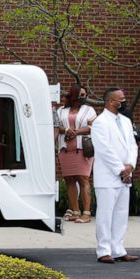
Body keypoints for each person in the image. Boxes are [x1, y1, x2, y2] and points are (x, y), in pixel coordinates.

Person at [92, 88, 139, 263]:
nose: (124, 101)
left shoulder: (126, 121)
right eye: (121, 99)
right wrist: (120, 169)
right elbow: (104, 149)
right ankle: (103, 249)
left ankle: (118, 248)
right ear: (111, 101)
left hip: (125, 176)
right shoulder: (100, 122)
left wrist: (130, 166)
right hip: (108, 176)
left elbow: (132, 145)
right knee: (106, 214)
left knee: (120, 214)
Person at [57, 85, 96, 224]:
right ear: (73, 96)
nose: (83, 97)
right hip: (65, 150)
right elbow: (56, 127)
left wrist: (76, 132)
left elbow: (93, 127)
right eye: (81, 95)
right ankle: (75, 211)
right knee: (69, 180)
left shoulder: (89, 110)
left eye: (84, 95)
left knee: (83, 179)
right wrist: (67, 129)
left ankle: (86, 213)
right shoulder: (61, 110)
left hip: (83, 150)